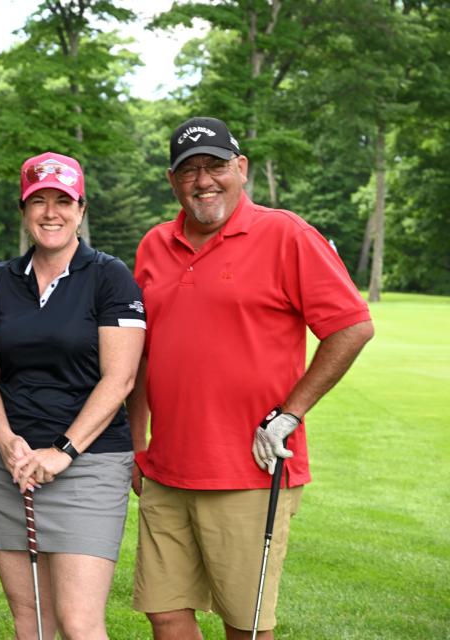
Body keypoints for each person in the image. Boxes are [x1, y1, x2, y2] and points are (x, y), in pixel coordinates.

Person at [127, 116, 374, 640]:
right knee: (165, 611)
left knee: (246, 624)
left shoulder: (285, 233)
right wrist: (136, 443)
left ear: (240, 169)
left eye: (215, 166)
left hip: (249, 468)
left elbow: (352, 327)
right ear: (173, 181)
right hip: (167, 468)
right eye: (188, 171)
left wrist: (291, 413)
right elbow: (143, 355)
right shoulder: (153, 245)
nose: (203, 181)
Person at [0, 152, 146, 639]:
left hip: (90, 464)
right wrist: (7, 441)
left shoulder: (109, 276)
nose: (50, 213)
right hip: (12, 466)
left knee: (77, 622)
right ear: (24, 209)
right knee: (31, 621)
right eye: (39, 202)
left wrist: (64, 451)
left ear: (81, 209)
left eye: (62, 201)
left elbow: (120, 379)